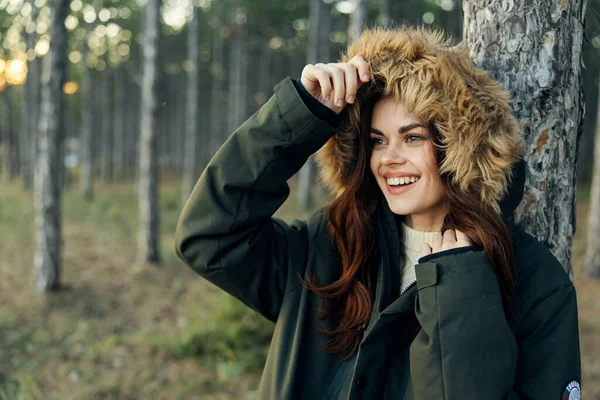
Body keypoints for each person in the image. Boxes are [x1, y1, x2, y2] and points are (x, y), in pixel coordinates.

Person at [175, 27, 581, 399]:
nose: (390, 159)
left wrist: (458, 293)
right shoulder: (331, 242)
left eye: (413, 137)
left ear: (461, 146)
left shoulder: (533, 281)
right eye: (377, 141)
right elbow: (210, 238)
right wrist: (299, 116)